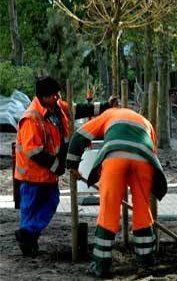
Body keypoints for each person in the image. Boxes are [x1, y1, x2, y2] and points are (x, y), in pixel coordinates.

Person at [14, 77, 116, 256]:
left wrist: (106, 106)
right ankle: (29, 243)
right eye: (54, 95)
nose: (58, 97)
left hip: (48, 174)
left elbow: (79, 109)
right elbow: (34, 152)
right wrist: (57, 166)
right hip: (32, 175)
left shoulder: (57, 107)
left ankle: (27, 234)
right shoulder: (31, 119)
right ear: (43, 97)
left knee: (51, 201)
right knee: (30, 210)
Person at [66, 106, 167, 278]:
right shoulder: (145, 122)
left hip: (115, 158)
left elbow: (78, 137)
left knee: (109, 209)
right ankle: (146, 259)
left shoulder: (108, 115)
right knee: (142, 207)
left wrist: (72, 166)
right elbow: (153, 153)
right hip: (143, 159)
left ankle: (101, 265)